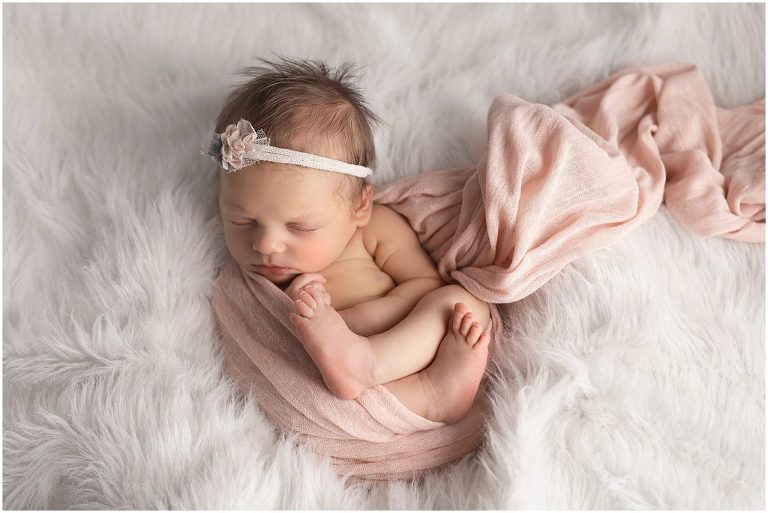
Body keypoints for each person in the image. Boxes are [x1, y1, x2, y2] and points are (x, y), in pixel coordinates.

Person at [208, 57, 491, 423]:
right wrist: (314, 334)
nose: (264, 245)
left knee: (461, 304)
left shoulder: (375, 229)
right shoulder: (247, 286)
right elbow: (261, 361)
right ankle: (426, 395)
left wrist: (352, 324)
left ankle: (399, 376)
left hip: (397, 351)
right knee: (317, 385)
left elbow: (425, 284)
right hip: (330, 394)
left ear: (359, 206)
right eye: (241, 220)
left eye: (301, 227)